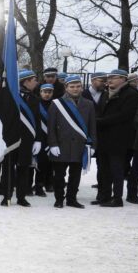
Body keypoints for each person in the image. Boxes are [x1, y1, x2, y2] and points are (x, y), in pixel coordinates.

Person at [47, 76, 96, 208]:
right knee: (59, 176)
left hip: (80, 146)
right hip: (61, 145)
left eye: (78, 86)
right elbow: (50, 126)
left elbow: (92, 126)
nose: (75, 89)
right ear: (66, 88)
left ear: (81, 87)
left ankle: (71, 199)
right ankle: (59, 199)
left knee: (75, 175)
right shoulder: (56, 103)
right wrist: (53, 144)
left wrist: (92, 144)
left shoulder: (89, 104)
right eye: (72, 86)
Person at [94, 68, 138, 207]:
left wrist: (101, 122)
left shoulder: (131, 94)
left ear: (123, 79)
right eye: (109, 77)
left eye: (113, 77)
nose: (109, 79)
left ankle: (117, 198)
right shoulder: (105, 93)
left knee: (116, 169)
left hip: (118, 138)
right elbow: (99, 111)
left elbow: (125, 115)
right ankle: (104, 196)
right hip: (103, 137)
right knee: (103, 169)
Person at [4, 69, 41, 207]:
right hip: (11, 138)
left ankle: (21, 197)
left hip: (27, 139)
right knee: (8, 168)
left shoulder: (34, 99)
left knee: (23, 169)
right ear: (26, 81)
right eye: (34, 80)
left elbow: (37, 120)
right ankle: (6, 195)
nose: (36, 83)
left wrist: (38, 139)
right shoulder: (11, 97)